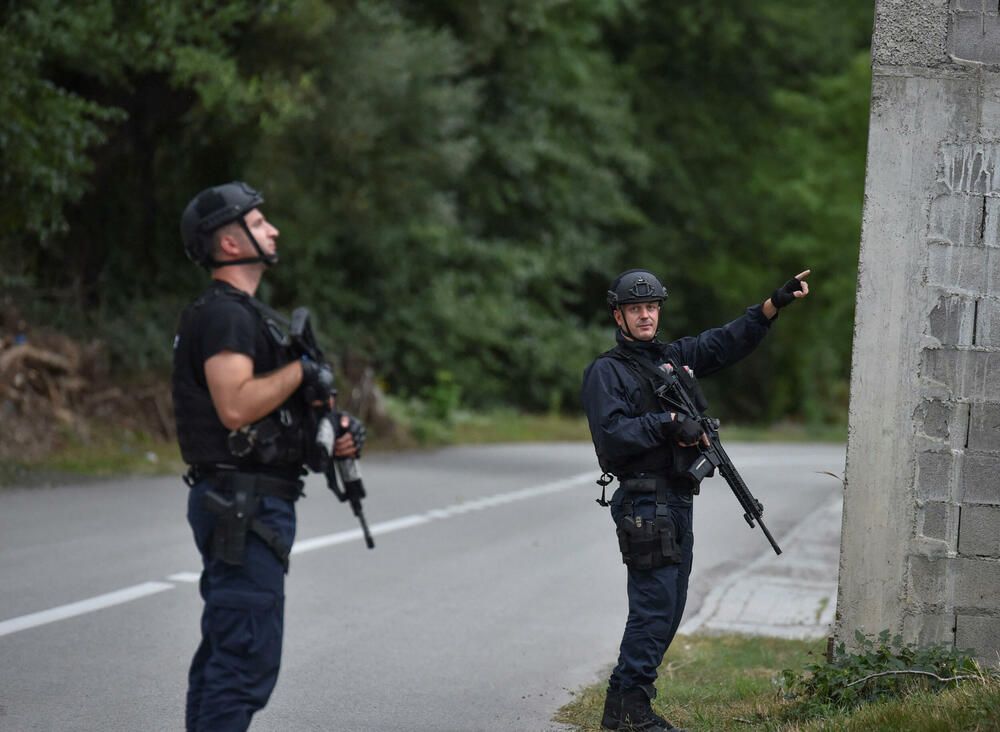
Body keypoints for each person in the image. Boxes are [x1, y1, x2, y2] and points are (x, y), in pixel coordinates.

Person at [581, 268, 810, 732]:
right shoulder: (607, 372)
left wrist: (771, 307)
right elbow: (611, 437)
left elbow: (723, 343)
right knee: (654, 608)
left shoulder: (672, 359)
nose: (645, 315)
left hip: (677, 500)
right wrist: (668, 423)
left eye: (652, 307)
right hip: (645, 502)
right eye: (635, 309)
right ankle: (629, 711)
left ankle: (627, 706)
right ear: (618, 316)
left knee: (672, 607)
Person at [172, 181, 362, 731]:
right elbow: (234, 407)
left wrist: (330, 431)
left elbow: (267, 417)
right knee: (243, 659)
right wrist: (302, 371)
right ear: (229, 243)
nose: (272, 229)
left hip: (250, 502)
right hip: (242, 506)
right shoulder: (226, 316)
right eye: (258, 223)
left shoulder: (246, 316)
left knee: (227, 654)